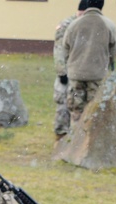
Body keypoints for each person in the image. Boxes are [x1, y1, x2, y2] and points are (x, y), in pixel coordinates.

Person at [61, 0, 116, 125]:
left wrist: (70, 64)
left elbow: (65, 48)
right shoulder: (109, 25)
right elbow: (113, 49)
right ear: (102, 6)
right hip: (97, 75)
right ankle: (91, 140)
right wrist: (107, 63)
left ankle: (74, 140)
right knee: (94, 110)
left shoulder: (74, 24)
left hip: (76, 74)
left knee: (76, 111)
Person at [52, 3, 84, 138]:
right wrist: (62, 73)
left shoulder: (88, 24)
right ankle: (61, 133)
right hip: (67, 70)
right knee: (63, 102)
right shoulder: (67, 25)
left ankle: (76, 135)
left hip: (80, 70)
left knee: (77, 102)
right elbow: (59, 50)